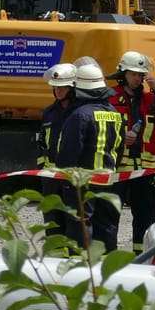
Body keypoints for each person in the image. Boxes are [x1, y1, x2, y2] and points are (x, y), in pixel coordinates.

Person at [56, 60, 123, 252]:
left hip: (82, 184)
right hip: (109, 182)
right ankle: (105, 271)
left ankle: (80, 272)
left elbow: (69, 151)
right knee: (107, 230)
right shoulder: (115, 114)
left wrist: (65, 180)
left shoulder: (79, 115)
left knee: (80, 230)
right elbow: (118, 149)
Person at [108, 50, 155, 248]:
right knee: (110, 213)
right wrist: (120, 138)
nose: (138, 78)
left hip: (144, 169)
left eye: (140, 75)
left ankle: (141, 255)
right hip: (118, 168)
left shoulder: (150, 99)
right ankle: (108, 254)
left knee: (145, 215)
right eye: (133, 74)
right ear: (123, 74)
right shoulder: (110, 98)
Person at [35, 61, 80, 240]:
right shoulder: (49, 112)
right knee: (52, 223)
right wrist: (41, 169)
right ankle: (54, 260)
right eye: (56, 87)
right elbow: (41, 143)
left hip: (72, 177)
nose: (58, 91)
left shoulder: (79, 112)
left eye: (63, 87)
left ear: (73, 87)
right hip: (50, 177)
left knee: (72, 222)